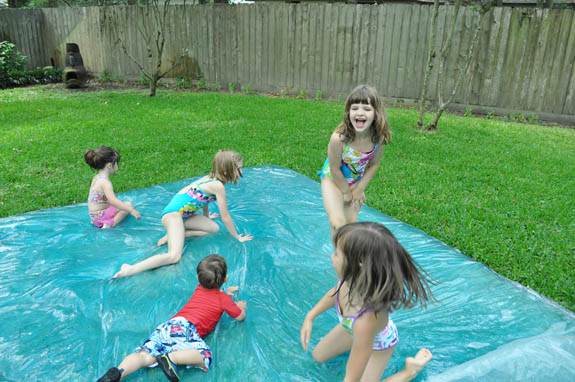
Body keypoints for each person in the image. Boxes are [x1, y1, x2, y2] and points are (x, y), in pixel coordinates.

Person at [300, 222, 434, 382]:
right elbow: (334, 293)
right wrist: (311, 316)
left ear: (359, 264)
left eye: (337, 254)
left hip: (379, 343)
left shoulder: (366, 322)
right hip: (350, 328)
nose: (332, 257)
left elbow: (352, 378)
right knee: (317, 356)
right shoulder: (349, 280)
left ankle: (409, 371)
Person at [98, 254, 247, 382]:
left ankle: (119, 372)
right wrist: (240, 305)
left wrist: (225, 292)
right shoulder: (223, 300)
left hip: (170, 325)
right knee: (205, 356)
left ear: (197, 278)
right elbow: (240, 316)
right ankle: (172, 358)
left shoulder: (200, 287)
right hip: (186, 330)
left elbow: (212, 294)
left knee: (145, 356)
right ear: (226, 278)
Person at [113, 150, 253, 278]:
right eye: (239, 168)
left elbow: (204, 199)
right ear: (228, 169)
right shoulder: (218, 186)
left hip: (182, 216)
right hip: (173, 216)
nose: (241, 171)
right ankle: (130, 269)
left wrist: (207, 216)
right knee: (174, 256)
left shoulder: (211, 178)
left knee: (213, 229)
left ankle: (177, 235)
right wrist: (236, 237)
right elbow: (226, 216)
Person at [319, 85, 392, 241]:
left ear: (376, 113)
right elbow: (334, 168)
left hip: (355, 182)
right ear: (348, 112)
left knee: (350, 225)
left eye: (366, 109)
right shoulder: (339, 138)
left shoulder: (378, 139)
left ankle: (345, 256)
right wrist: (345, 192)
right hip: (333, 179)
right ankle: (338, 257)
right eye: (355, 108)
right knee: (337, 223)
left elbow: (374, 164)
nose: (360, 112)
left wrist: (359, 189)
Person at [84, 146, 141, 229]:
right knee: (127, 205)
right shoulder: (105, 182)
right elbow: (113, 201)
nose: (117, 166)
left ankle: (104, 221)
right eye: (116, 164)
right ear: (110, 165)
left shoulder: (96, 178)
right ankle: (110, 224)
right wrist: (131, 210)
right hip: (101, 216)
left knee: (122, 205)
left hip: (94, 217)